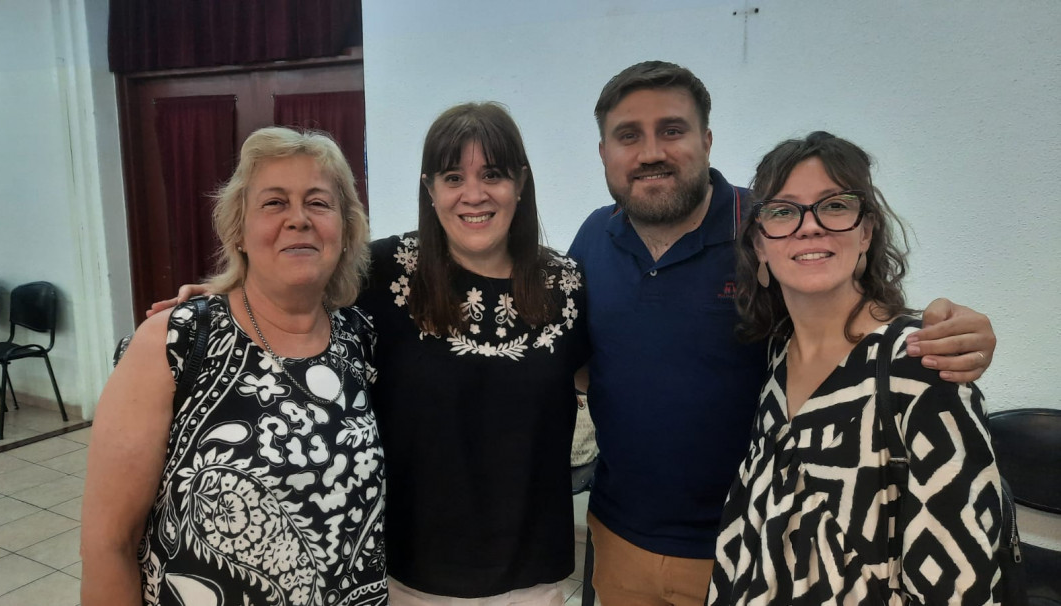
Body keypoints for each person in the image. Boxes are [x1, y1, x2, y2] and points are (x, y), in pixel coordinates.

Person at [568, 61, 997, 605]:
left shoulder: (766, 223)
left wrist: (958, 332)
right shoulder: (592, 237)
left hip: (744, 548)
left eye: (672, 130)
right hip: (618, 534)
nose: (651, 151)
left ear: (706, 139)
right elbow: (578, 355)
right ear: (604, 152)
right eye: (628, 135)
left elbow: (850, 313)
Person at [147, 103, 590, 604]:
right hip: (406, 574)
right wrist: (221, 295)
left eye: (493, 174)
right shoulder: (381, 272)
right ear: (430, 189)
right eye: (452, 177)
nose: (473, 194)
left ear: (521, 182)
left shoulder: (565, 284)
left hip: (530, 576)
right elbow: (292, 287)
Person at [81, 127, 386, 605]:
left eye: (319, 203)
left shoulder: (361, 338)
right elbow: (108, 543)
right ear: (238, 231)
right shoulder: (174, 341)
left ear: (345, 230)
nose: (298, 220)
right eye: (274, 203)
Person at [707, 131, 1002, 604]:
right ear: (759, 245)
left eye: (834, 205)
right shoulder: (776, 356)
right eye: (782, 211)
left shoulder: (923, 369)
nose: (809, 227)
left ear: (866, 231)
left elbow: (961, 585)